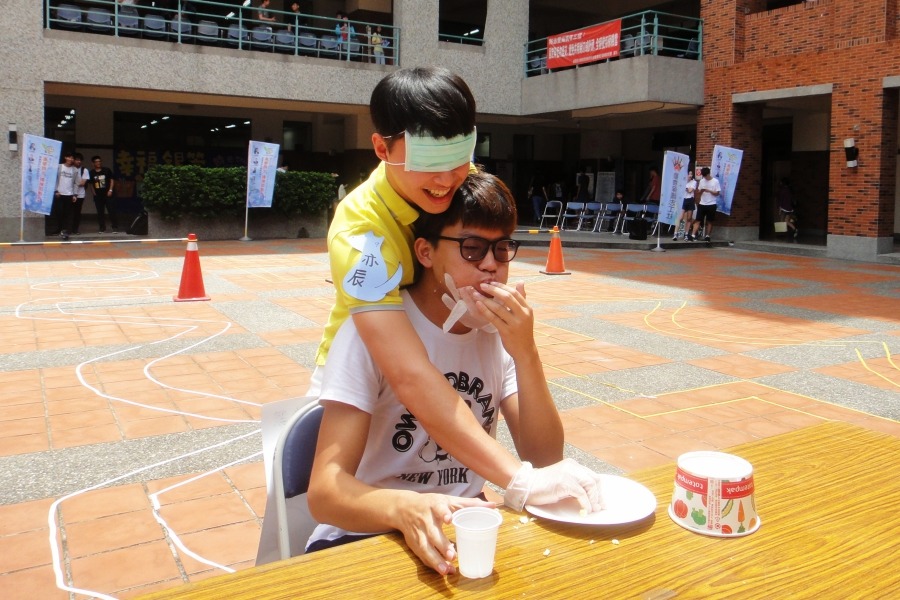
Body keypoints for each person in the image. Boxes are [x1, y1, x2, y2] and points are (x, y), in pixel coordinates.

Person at [313, 66, 602, 522]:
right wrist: (519, 479)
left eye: (460, 159)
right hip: (379, 352)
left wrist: (524, 351)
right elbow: (408, 374)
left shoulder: (457, 187)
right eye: (428, 164)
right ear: (381, 148)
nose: (447, 181)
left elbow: (545, 452)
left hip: (447, 333)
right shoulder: (359, 232)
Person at [308, 170, 580, 575]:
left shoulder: (494, 336)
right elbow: (326, 493)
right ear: (425, 252)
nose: (491, 265)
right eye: (472, 248)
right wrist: (403, 507)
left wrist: (526, 353)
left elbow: (544, 459)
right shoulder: (374, 331)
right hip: (369, 534)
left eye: (503, 249)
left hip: (464, 529)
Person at [89, 155, 119, 234]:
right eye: (96, 162)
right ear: (93, 163)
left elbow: (112, 180)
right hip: (98, 195)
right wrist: (94, 193)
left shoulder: (106, 170)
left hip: (108, 194)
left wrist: (111, 190)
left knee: (111, 210)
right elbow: (91, 183)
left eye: (99, 161)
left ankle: (114, 227)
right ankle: (102, 228)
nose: (98, 163)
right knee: (100, 212)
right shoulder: (91, 172)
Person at [691, 167, 721, 242]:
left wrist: (709, 190)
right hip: (702, 203)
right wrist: (701, 191)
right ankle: (693, 235)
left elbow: (717, 193)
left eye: (705, 176)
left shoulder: (715, 181)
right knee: (698, 220)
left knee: (710, 221)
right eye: (703, 176)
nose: (705, 177)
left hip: (711, 203)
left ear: (708, 174)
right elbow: (698, 192)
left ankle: (707, 236)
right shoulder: (702, 181)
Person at [53, 151, 78, 240]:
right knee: (59, 212)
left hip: (69, 194)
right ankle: (59, 228)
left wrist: (75, 194)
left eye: (72, 158)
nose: (71, 159)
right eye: (69, 157)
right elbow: (54, 179)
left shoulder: (75, 170)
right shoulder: (59, 167)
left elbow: (76, 183)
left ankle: (65, 231)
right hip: (59, 193)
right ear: (65, 157)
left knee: (67, 214)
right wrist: (56, 191)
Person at [674, 170, 697, 241]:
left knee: (689, 218)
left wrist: (685, 188)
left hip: (690, 200)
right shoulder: (682, 181)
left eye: (691, 174)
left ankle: (686, 234)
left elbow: (690, 190)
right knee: (680, 217)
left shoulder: (694, 182)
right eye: (689, 174)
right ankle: (675, 234)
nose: (690, 175)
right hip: (683, 199)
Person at [70, 153, 90, 235]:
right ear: (73, 160)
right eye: (77, 159)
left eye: (80, 160)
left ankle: (75, 229)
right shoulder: (70, 169)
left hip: (80, 195)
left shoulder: (84, 170)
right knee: (68, 212)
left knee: (77, 213)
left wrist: (73, 183)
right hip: (69, 194)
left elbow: (82, 183)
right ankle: (67, 229)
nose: (78, 161)